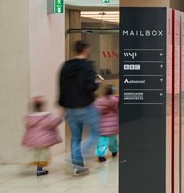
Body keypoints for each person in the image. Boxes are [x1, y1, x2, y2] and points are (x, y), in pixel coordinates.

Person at [58, 40, 100, 175]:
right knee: (95, 133)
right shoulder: (87, 66)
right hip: (85, 106)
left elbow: (61, 87)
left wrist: (63, 106)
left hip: (69, 108)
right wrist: (96, 82)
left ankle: (77, 166)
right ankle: (73, 158)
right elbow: (89, 87)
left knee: (76, 137)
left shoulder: (65, 66)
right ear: (86, 50)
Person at [21, 96, 62, 177]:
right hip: (43, 142)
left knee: (36, 155)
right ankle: (39, 170)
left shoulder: (30, 118)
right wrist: (60, 118)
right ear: (42, 107)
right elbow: (53, 123)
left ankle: (31, 164)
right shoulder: (45, 117)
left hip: (34, 141)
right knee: (42, 156)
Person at [94, 85, 119, 162]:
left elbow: (95, 110)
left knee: (102, 141)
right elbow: (117, 110)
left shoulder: (99, 101)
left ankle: (101, 156)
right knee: (113, 140)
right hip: (112, 125)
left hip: (101, 125)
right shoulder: (114, 100)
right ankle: (114, 151)